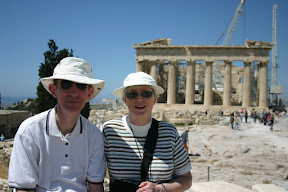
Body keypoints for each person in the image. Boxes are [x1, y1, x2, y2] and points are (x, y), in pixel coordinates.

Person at [8, 57, 106, 192]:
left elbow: (95, 186)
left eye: (81, 85)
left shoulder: (94, 135)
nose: (73, 92)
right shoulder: (29, 131)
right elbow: (23, 188)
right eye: (66, 84)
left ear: (89, 93)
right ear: (53, 90)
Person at [103, 72, 192, 192]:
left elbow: (186, 178)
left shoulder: (169, 132)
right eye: (132, 94)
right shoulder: (110, 130)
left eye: (146, 94)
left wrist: (160, 189)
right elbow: (93, 176)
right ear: (125, 100)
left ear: (155, 99)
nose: (139, 99)